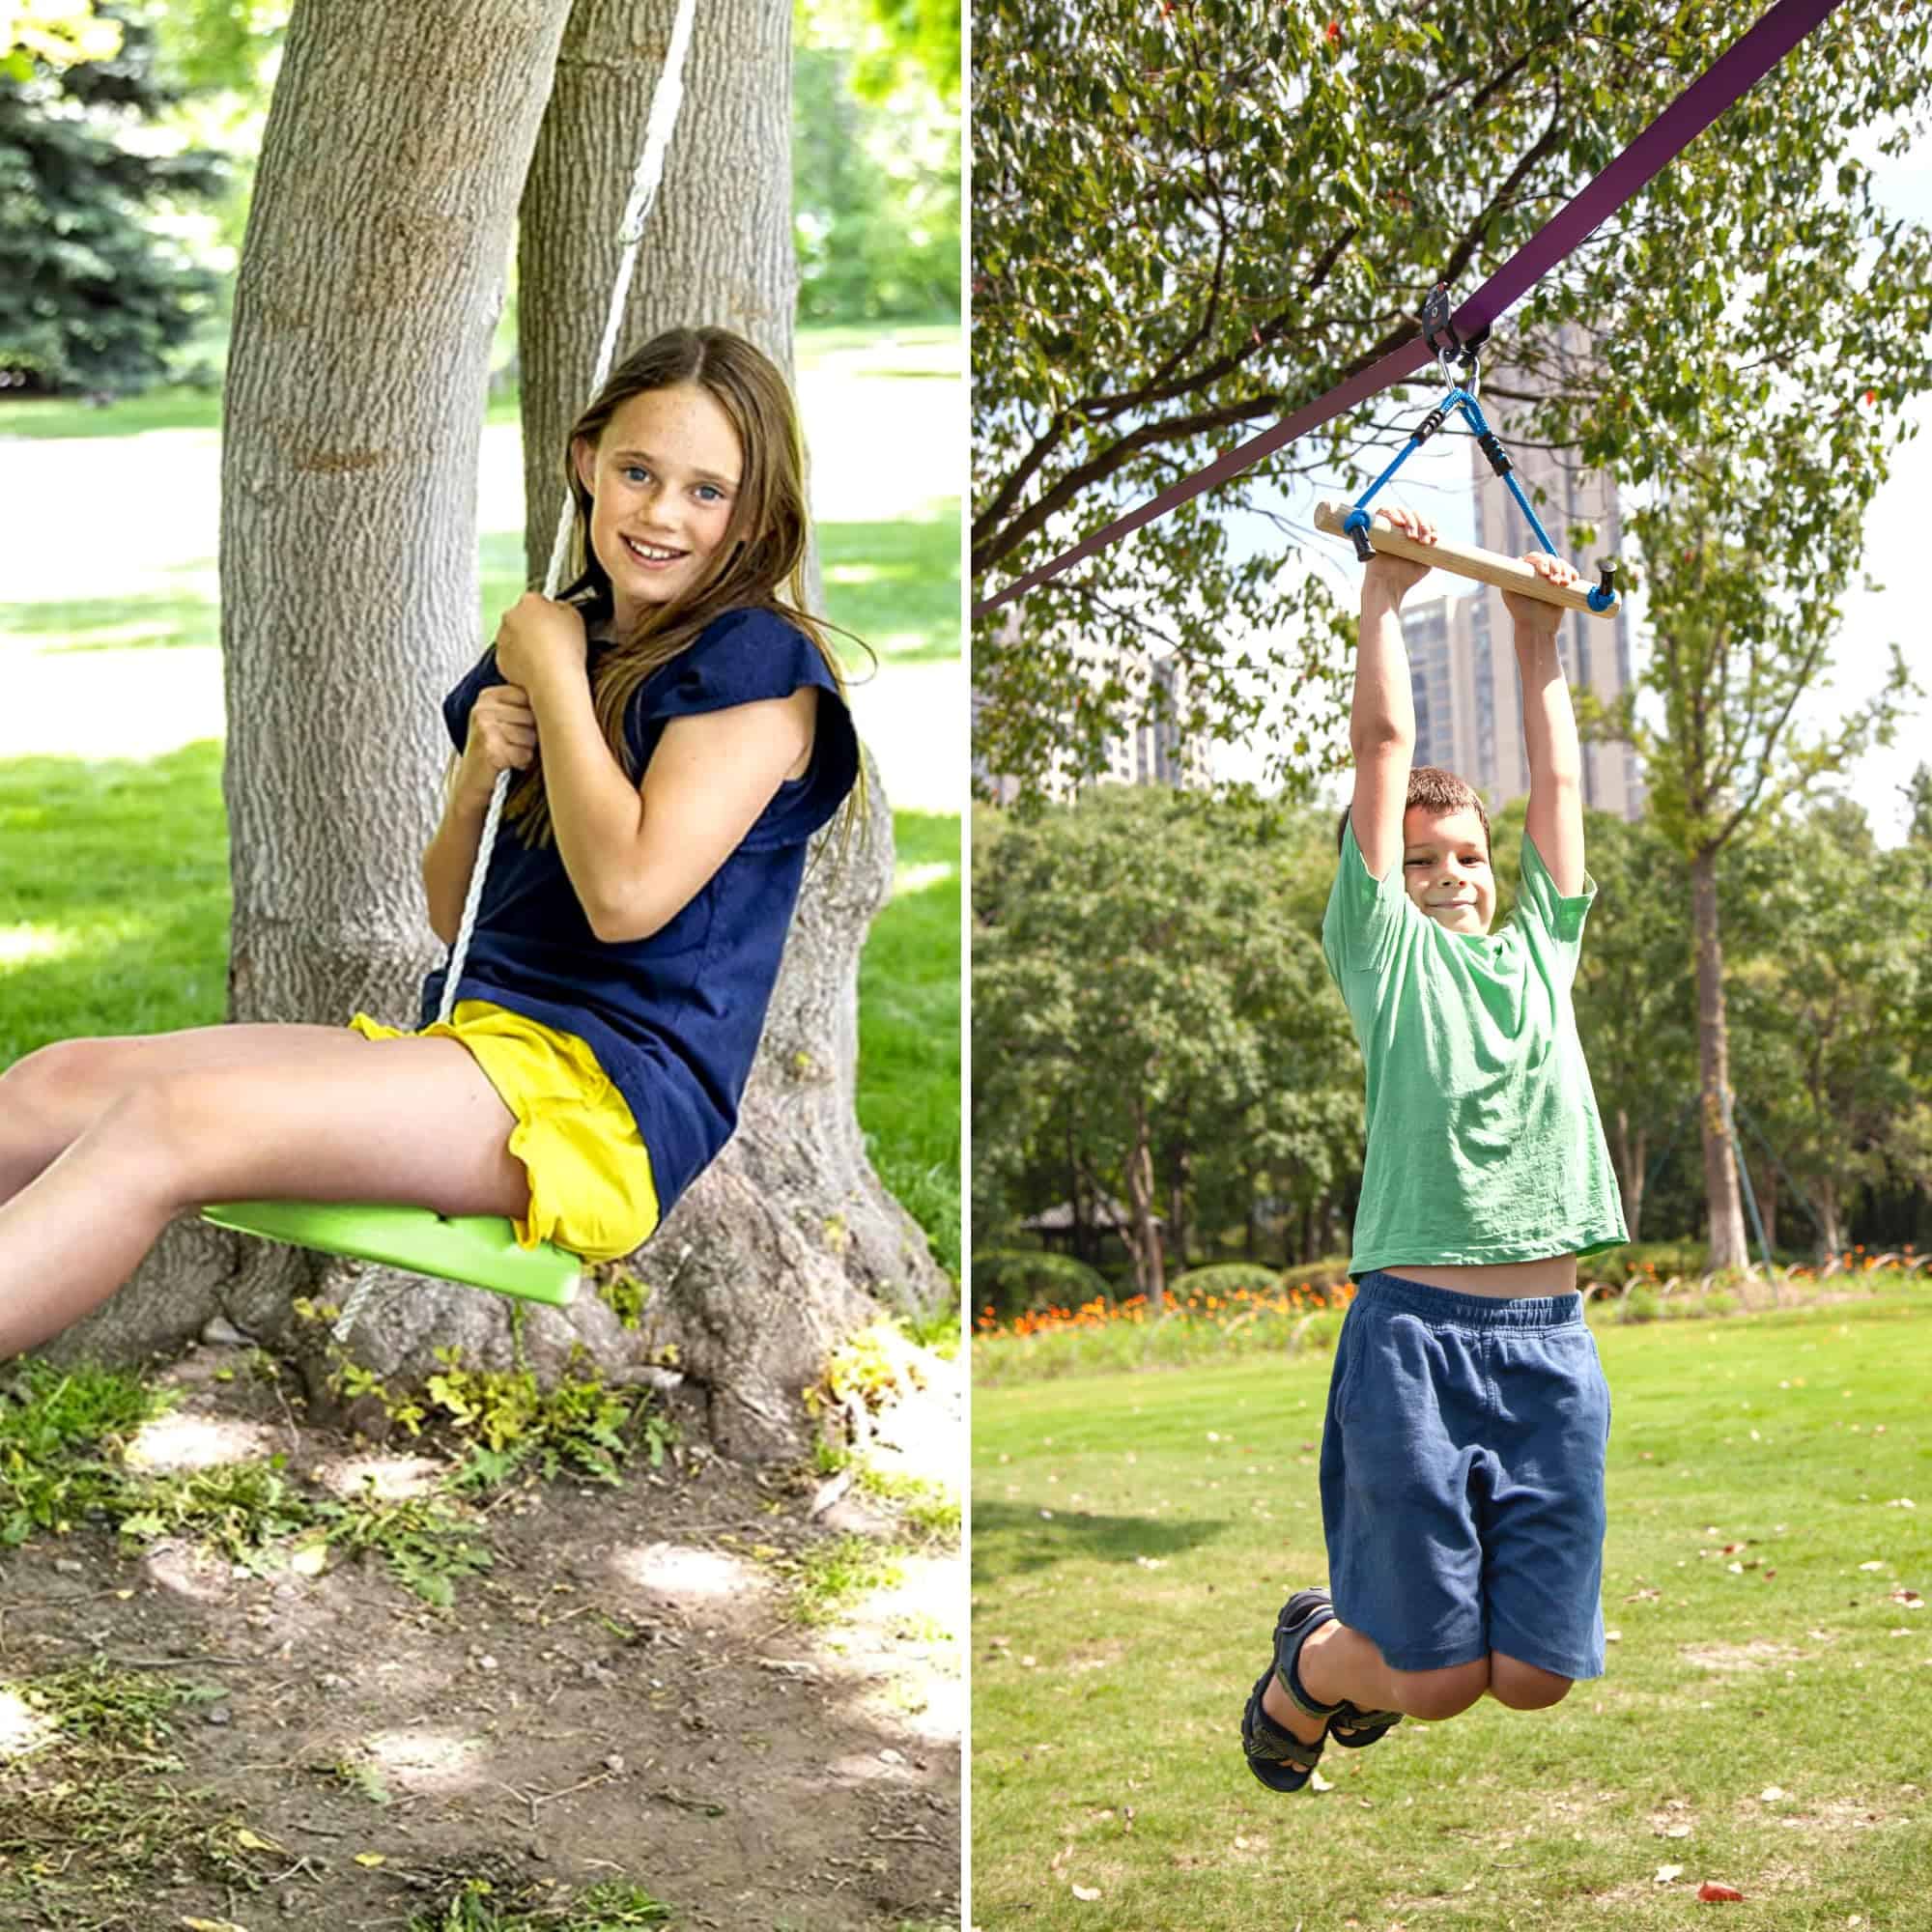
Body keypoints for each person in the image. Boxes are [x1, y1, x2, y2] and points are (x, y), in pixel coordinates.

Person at [0, 326, 860, 1361]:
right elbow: (456, 917)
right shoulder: (569, 636)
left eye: (705, 490)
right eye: (637, 471)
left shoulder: (754, 665)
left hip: (604, 1097)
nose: (661, 512)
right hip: (478, 1045)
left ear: (754, 512)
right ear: (586, 461)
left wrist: (551, 679)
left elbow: (627, 896)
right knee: (49, 1087)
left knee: (169, 1123)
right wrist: (472, 782)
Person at [1240, 504, 1628, 1791]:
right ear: (1385, 883)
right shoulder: (1385, 957)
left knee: (1537, 1675)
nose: (1452, 873)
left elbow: (1559, 786)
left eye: (1467, 853)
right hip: (1413, 1337)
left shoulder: (1540, 953)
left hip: (1548, 1346)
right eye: (1420, 861)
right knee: (1435, 1683)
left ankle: (1339, 1641)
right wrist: (1386, 593)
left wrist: (1538, 641)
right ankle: (1311, 1670)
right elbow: (1386, 740)